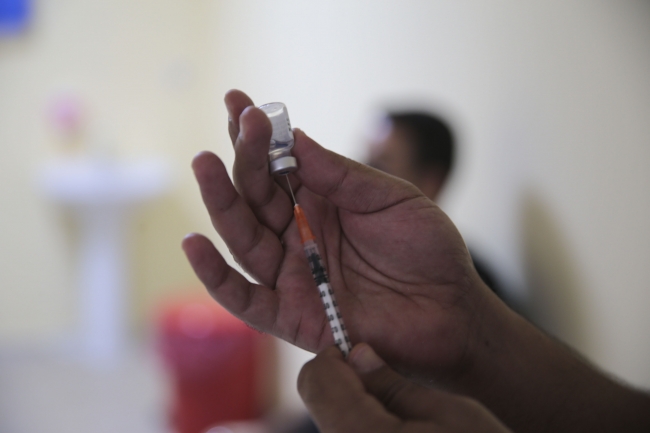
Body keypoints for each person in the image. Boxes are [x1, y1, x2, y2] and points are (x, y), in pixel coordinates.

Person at [182, 90, 650, 432]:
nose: (356, 173)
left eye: (379, 165)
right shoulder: (378, 276)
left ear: (431, 181)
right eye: (362, 156)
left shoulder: (465, 285)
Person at [366, 111, 502, 296]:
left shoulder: (470, 285)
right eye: (366, 160)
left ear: (431, 182)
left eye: (379, 165)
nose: (362, 174)